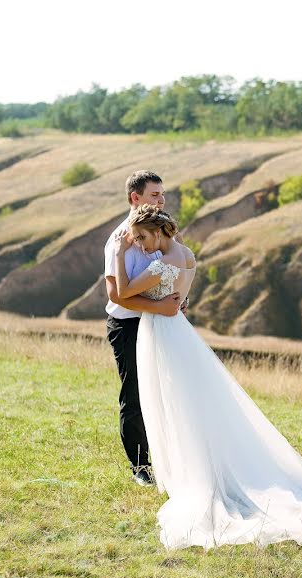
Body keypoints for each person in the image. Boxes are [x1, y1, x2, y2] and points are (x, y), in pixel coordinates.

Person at [111, 203, 302, 550]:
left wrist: (119, 252)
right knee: (189, 403)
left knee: (178, 404)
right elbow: (179, 296)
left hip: (163, 334)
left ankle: (199, 478)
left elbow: (123, 291)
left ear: (159, 231)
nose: (141, 246)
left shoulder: (163, 263)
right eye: (135, 240)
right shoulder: (186, 254)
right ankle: (193, 470)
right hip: (177, 332)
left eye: (143, 238)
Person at [103, 170, 188, 486]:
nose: (162, 200)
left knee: (167, 390)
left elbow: (177, 266)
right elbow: (117, 295)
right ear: (134, 198)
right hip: (127, 325)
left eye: (163, 194)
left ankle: (172, 459)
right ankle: (140, 466)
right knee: (135, 394)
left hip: (161, 324)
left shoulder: (159, 231)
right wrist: (160, 307)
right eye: (155, 195)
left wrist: (180, 298)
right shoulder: (117, 242)